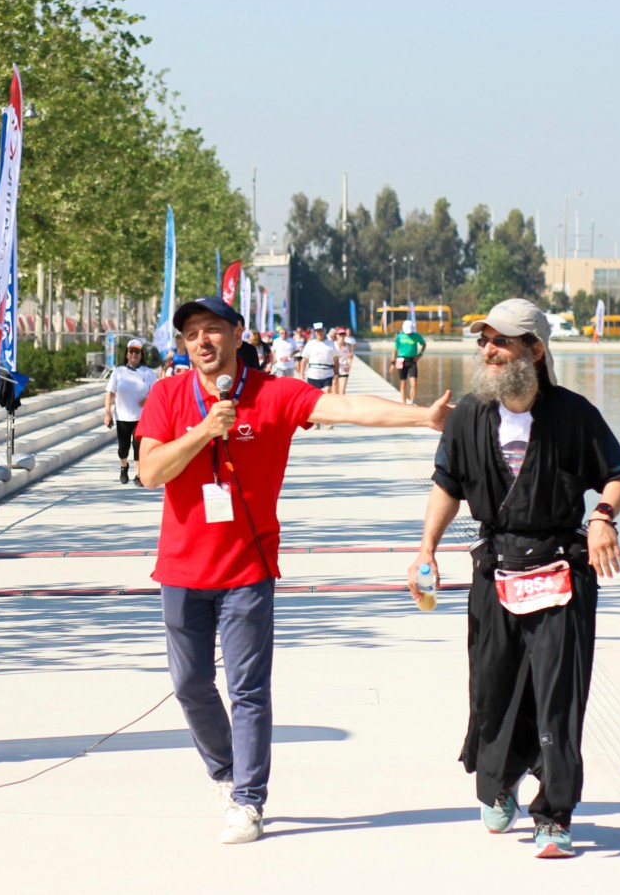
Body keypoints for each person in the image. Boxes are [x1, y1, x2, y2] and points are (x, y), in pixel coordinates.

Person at [136, 295, 452, 846]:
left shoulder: (274, 393)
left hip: (248, 568)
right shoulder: (168, 394)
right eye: (191, 334)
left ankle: (248, 799)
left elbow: (348, 410)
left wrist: (421, 416)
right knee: (189, 685)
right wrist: (205, 430)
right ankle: (225, 771)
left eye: (212, 329)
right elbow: (149, 472)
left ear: (238, 334)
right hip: (182, 569)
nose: (202, 341)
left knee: (248, 690)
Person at [408, 297, 620, 859]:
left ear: (534, 350)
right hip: (496, 569)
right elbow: (446, 484)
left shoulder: (573, 414)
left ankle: (554, 814)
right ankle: (501, 781)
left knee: (557, 694)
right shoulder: (469, 415)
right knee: (493, 689)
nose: (488, 351)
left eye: (501, 342)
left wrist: (602, 517)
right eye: (484, 341)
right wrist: (426, 550)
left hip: (560, 569)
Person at [104, 338, 157, 486]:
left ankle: (139, 475)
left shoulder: (148, 373)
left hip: (141, 417)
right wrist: (108, 413)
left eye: (137, 352)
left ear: (141, 355)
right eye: (131, 351)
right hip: (123, 416)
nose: (133, 354)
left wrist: (147, 401)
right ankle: (124, 466)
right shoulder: (118, 372)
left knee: (138, 446)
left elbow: (156, 393)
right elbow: (110, 393)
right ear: (127, 354)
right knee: (123, 448)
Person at [392, 319, 426, 404]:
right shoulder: (399, 337)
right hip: (401, 360)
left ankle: (412, 402)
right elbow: (395, 351)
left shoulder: (416, 336)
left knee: (414, 383)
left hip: (412, 361)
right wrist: (392, 363)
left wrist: (420, 355)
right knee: (403, 383)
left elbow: (424, 344)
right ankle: (403, 403)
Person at [300, 323, 336, 392]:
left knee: (327, 391)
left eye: (321, 331)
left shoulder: (330, 344)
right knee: (313, 394)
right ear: (315, 332)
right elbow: (304, 359)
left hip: (327, 374)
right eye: (317, 331)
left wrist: (336, 373)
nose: (319, 333)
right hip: (313, 374)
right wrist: (302, 373)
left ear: (324, 331)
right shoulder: (310, 344)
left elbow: (335, 359)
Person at [332, 328, 353, 395]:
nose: (342, 336)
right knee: (335, 392)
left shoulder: (348, 345)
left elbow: (350, 357)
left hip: (344, 368)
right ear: (337, 335)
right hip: (334, 369)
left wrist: (349, 365)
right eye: (340, 334)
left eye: (343, 334)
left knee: (342, 391)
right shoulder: (333, 344)